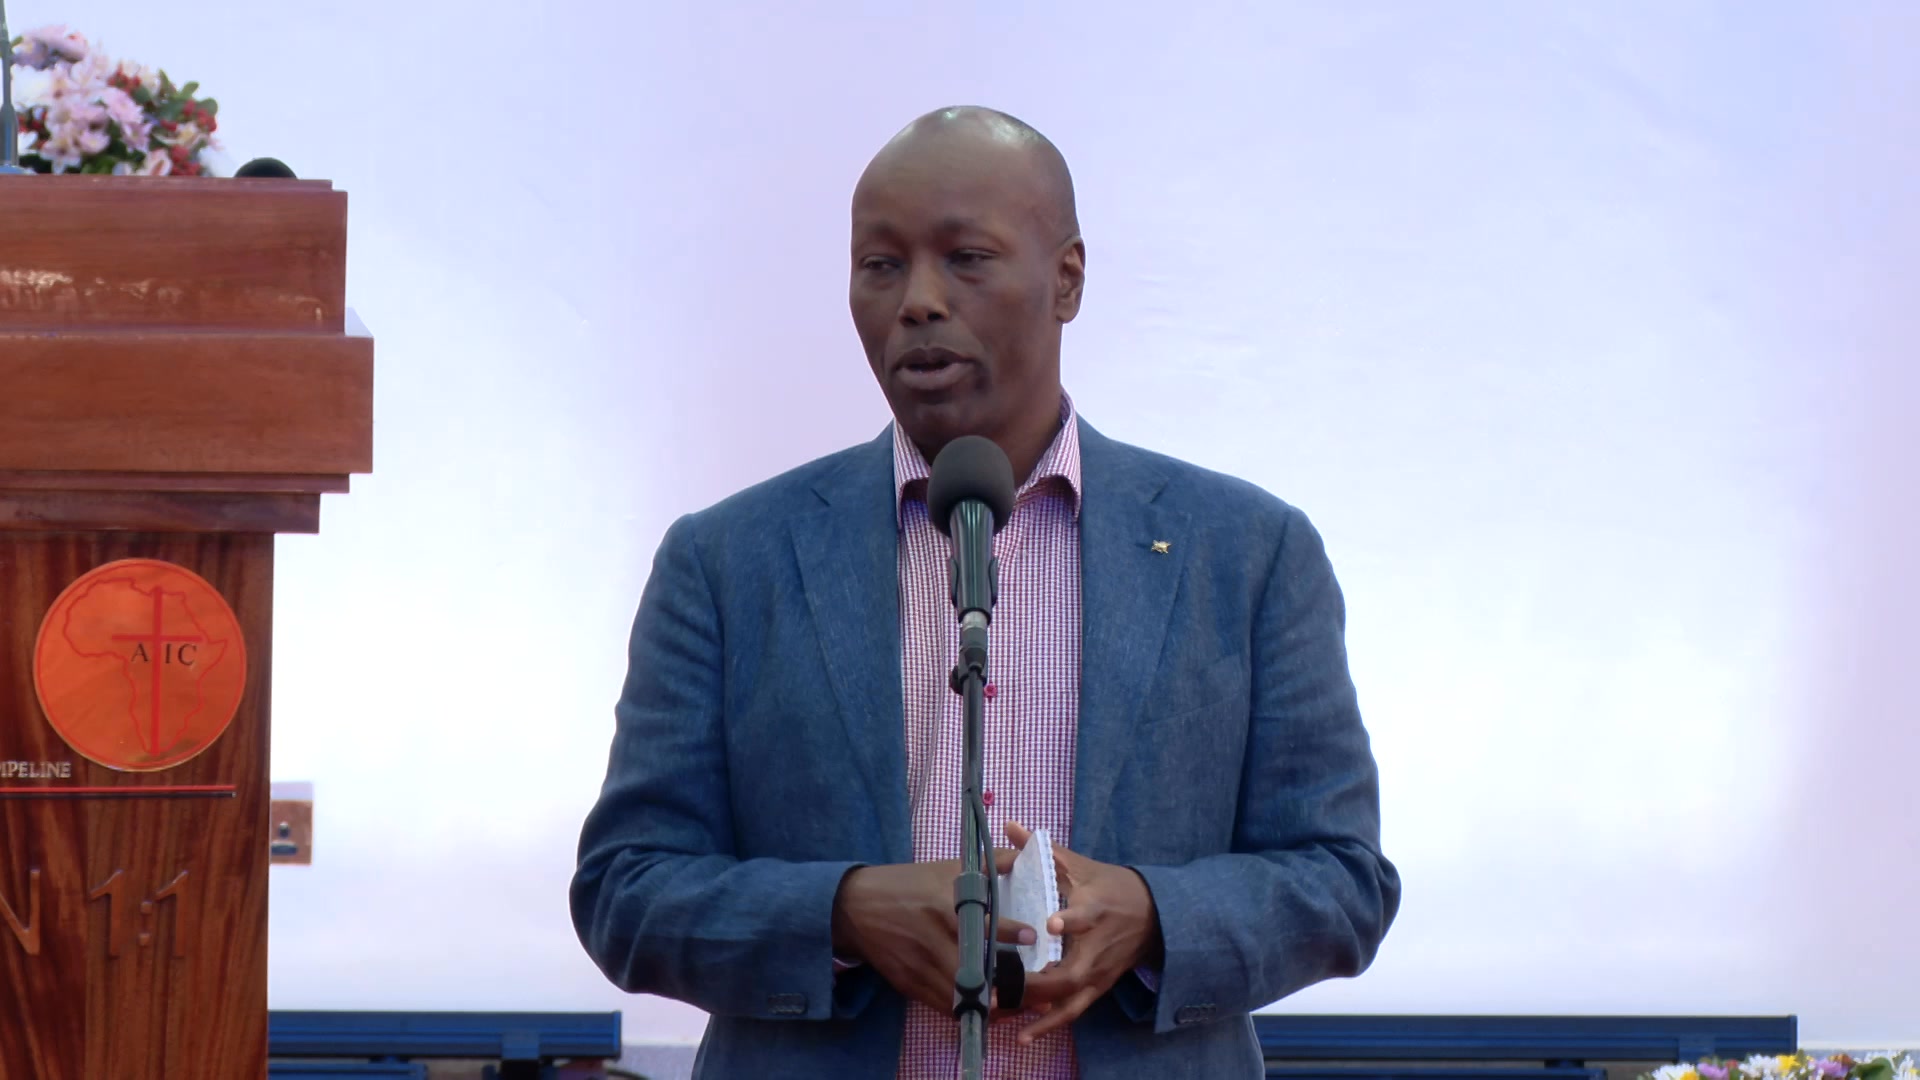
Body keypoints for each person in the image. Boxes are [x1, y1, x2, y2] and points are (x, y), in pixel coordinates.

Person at [571, 106, 1400, 1079]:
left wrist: (1154, 916)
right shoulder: (727, 561)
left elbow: (1342, 882)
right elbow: (626, 890)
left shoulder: (1248, 553)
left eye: (966, 258)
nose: (918, 301)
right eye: (881, 265)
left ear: (1068, 278)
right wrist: (844, 911)